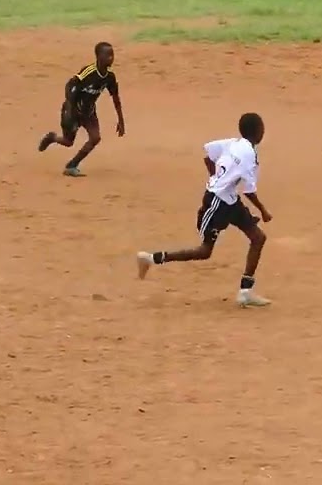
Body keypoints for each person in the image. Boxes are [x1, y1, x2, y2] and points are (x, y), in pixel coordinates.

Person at [135, 113, 273, 308]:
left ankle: (245, 292)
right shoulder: (251, 156)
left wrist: (217, 179)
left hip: (229, 200)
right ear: (259, 132)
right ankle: (151, 258)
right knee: (205, 251)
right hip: (216, 203)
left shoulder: (232, 143)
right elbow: (249, 191)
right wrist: (264, 211)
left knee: (258, 237)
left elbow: (208, 156)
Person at [37, 42, 126, 177]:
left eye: (112, 55)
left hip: (89, 113)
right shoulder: (88, 72)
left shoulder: (110, 77)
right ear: (98, 56)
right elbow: (70, 86)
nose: (111, 58)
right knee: (68, 142)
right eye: (107, 55)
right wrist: (70, 109)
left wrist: (121, 121)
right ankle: (52, 138)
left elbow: (116, 98)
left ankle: (72, 165)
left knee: (95, 138)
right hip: (73, 110)